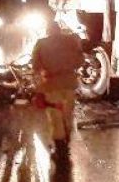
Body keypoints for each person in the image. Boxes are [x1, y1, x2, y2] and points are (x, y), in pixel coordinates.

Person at [31, 21, 84, 155]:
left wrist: (38, 81)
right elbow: (80, 61)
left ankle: (59, 145)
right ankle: (67, 135)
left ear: (48, 31)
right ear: (59, 30)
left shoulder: (41, 43)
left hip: (51, 84)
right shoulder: (71, 41)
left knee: (55, 114)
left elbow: (36, 65)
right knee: (68, 112)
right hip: (69, 83)